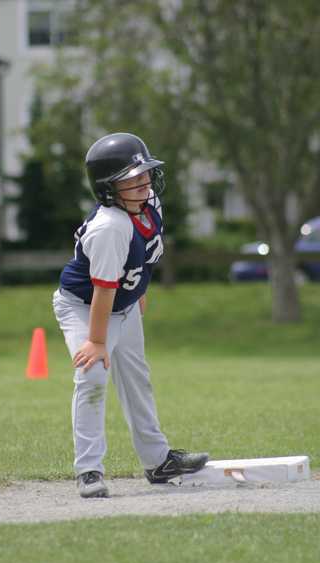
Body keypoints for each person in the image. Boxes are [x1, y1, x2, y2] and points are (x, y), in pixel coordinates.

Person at [53, 132, 209, 498]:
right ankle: (89, 470)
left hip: (121, 305)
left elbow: (145, 256)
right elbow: (103, 289)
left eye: (144, 172)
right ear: (108, 187)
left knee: (137, 379)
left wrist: (139, 292)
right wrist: (97, 341)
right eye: (131, 177)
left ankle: (158, 461)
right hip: (86, 307)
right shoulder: (110, 226)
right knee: (92, 377)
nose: (143, 181)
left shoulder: (149, 203)